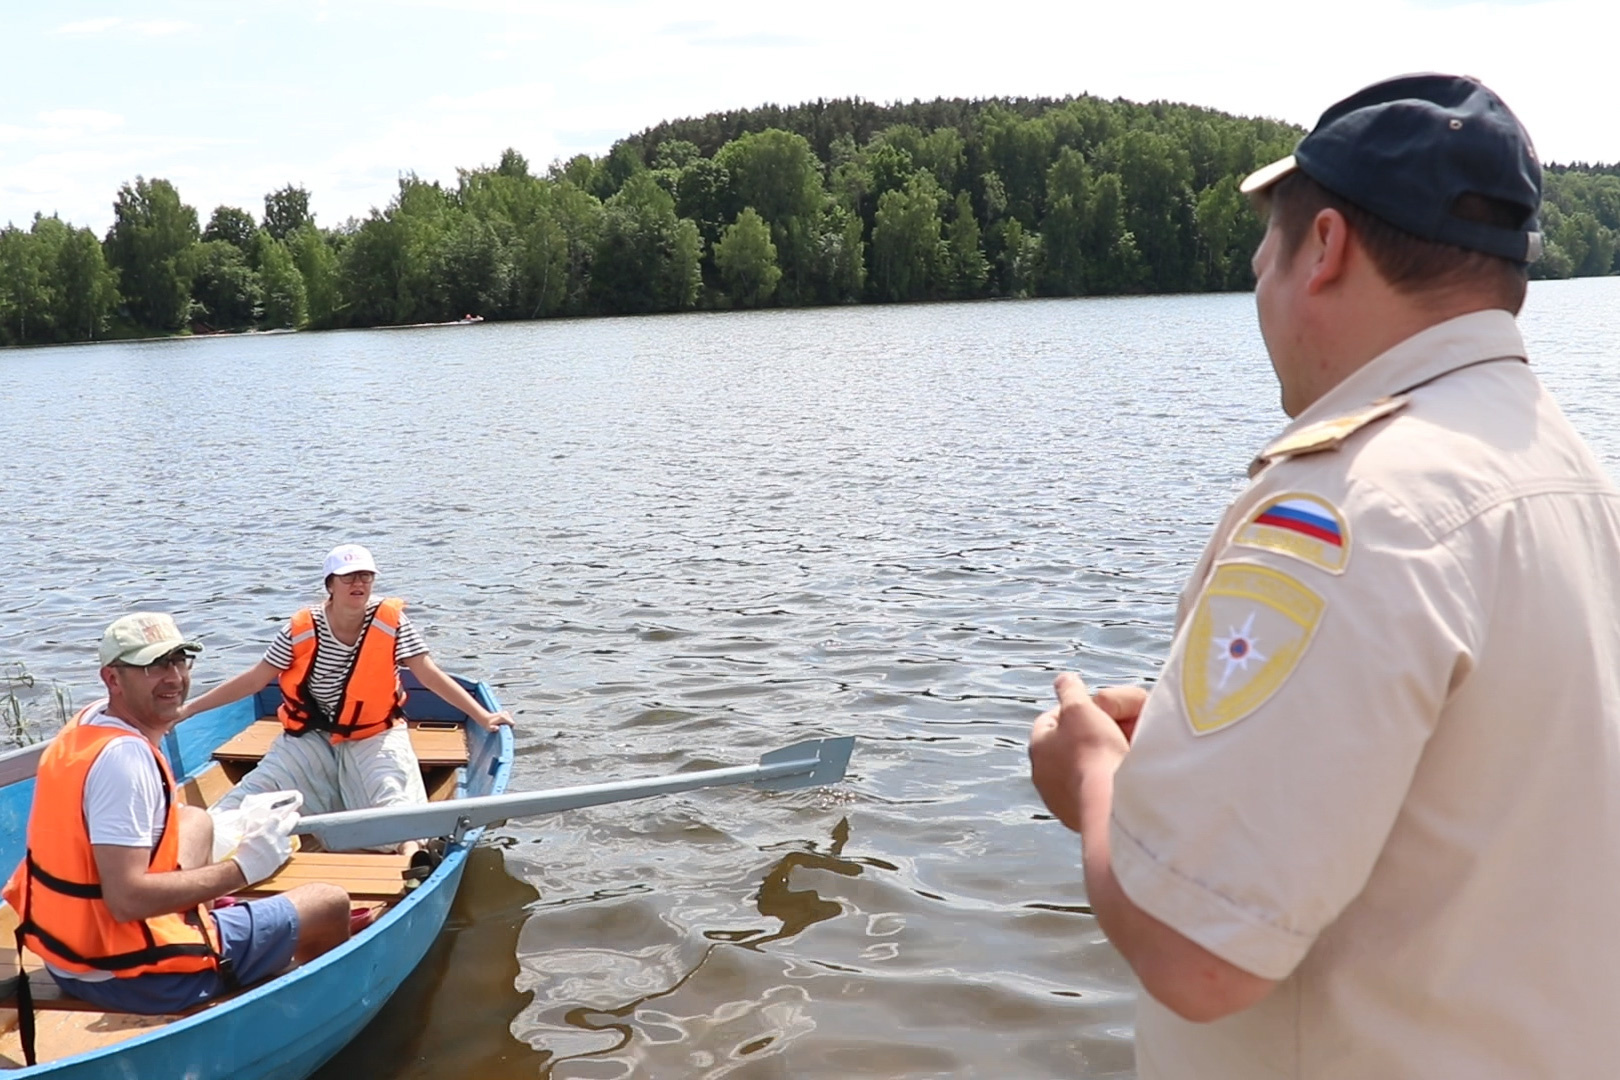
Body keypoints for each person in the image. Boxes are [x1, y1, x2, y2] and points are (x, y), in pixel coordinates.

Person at [1028, 74, 1620, 1078]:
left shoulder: (1349, 504)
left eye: (1265, 250)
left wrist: (1091, 775)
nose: (1259, 281)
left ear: (1327, 249)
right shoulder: (1574, 482)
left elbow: (1199, 956)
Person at [3, 613, 350, 1020]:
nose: (174, 678)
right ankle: (312, 1018)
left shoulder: (89, 723)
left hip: (66, 951)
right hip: (134, 974)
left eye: (179, 660)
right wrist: (245, 868)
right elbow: (126, 900)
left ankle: (210, 925)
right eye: (153, 666)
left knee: (196, 821)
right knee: (329, 902)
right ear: (112, 678)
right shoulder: (124, 761)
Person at [181, 544, 512, 856]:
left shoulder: (392, 622)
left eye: (366, 576)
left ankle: (412, 859)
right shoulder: (300, 629)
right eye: (349, 577)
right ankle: (189, 847)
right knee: (255, 790)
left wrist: (482, 717)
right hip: (311, 735)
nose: (359, 583)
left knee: (390, 797)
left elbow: (427, 673)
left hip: (374, 734)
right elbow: (255, 679)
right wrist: (188, 710)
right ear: (331, 584)